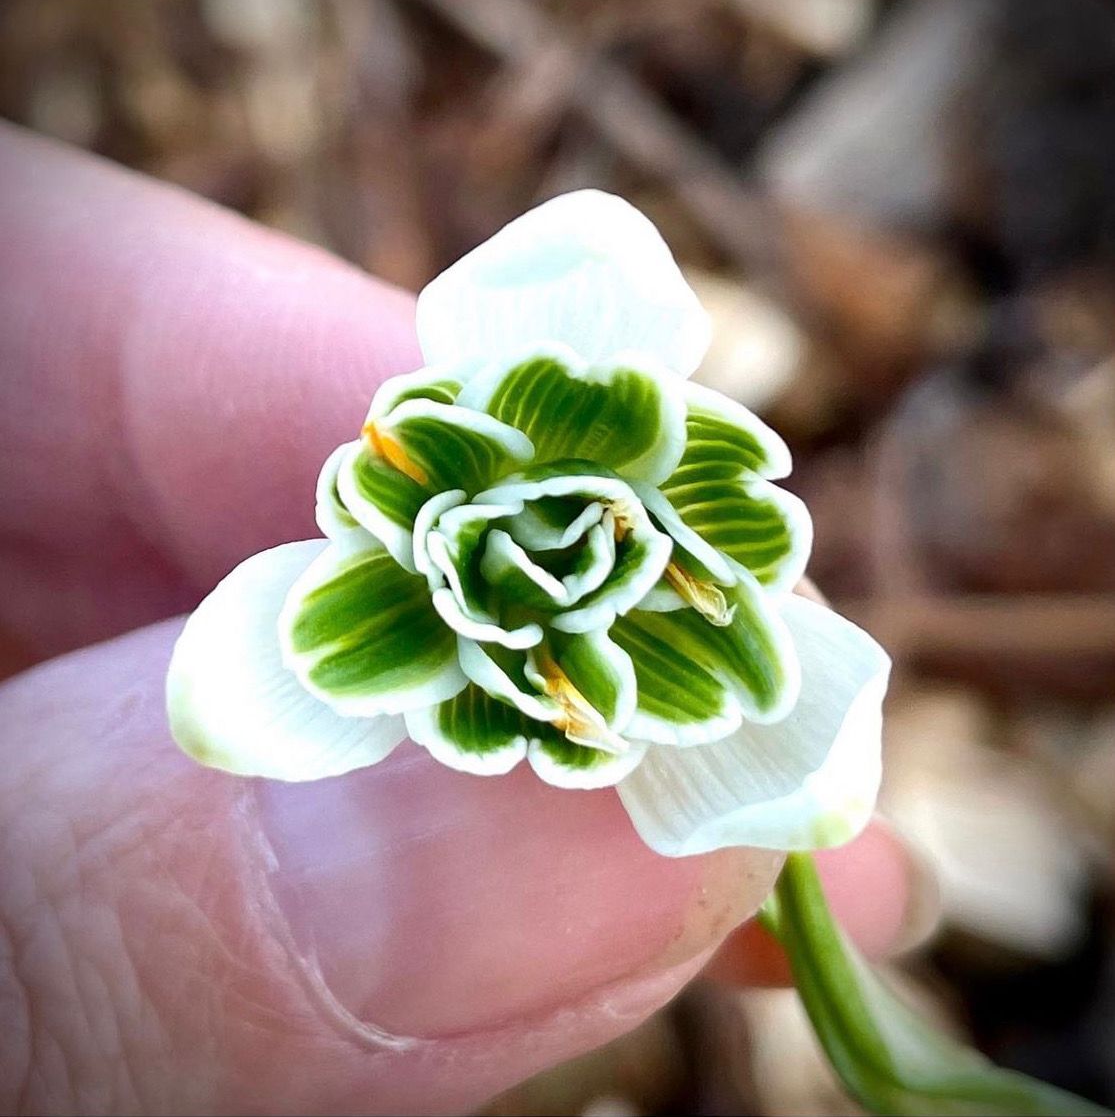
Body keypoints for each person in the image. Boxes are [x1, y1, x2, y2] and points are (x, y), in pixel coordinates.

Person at [0, 122, 930, 1114]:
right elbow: (226, 707)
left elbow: (809, 785)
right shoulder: (316, 636)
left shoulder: (576, 333)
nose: (552, 559)